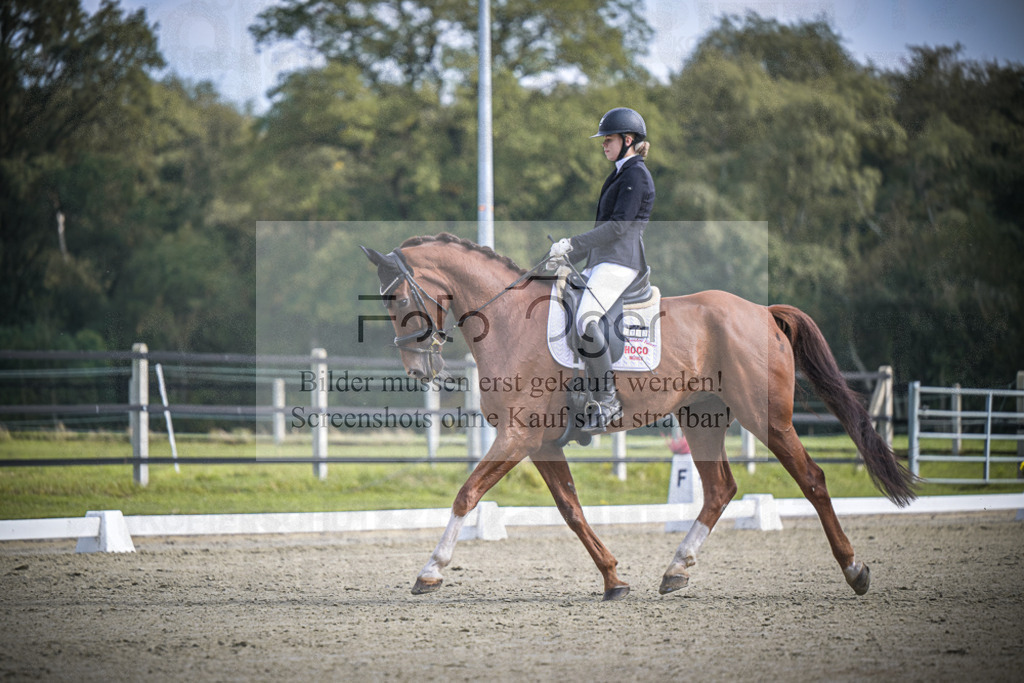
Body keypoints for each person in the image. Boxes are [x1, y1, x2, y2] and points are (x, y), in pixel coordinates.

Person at [548, 107, 655, 433]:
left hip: (621, 262)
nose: (603, 145)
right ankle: (581, 398)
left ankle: (607, 399)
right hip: (602, 261)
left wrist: (573, 244)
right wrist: (571, 258)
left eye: (608, 139)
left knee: (586, 319)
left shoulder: (636, 175)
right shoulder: (621, 172)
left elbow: (618, 228)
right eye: (603, 140)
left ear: (628, 139)